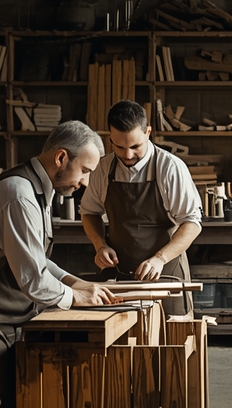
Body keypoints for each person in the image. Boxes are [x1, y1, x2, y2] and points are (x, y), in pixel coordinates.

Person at [0, 121, 115, 408]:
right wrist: (75, 298)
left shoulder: (39, 190)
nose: (85, 183)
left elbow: (35, 259)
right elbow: (33, 279)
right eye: (85, 171)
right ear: (61, 158)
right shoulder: (18, 195)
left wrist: (74, 282)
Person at [80, 99, 202, 317]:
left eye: (135, 146)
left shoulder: (170, 168)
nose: (127, 155)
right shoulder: (102, 169)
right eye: (119, 147)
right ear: (110, 138)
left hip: (166, 273)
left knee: (171, 342)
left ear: (148, 132)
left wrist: (160, 258)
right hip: (119, 275)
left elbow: (192, 223)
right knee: (121, 341)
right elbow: (89, 212)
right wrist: (100, 245)